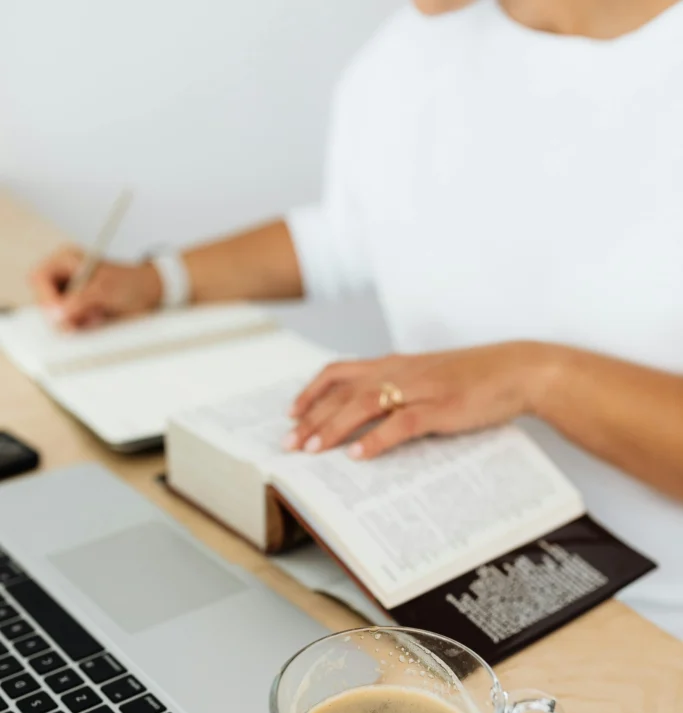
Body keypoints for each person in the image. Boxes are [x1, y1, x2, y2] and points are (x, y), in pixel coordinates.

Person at [31, 0, 683, 639]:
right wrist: (159, 280)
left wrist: (534, 378)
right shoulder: (411, 52)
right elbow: (355, 232)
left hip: (650, 623)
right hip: (447, 565)